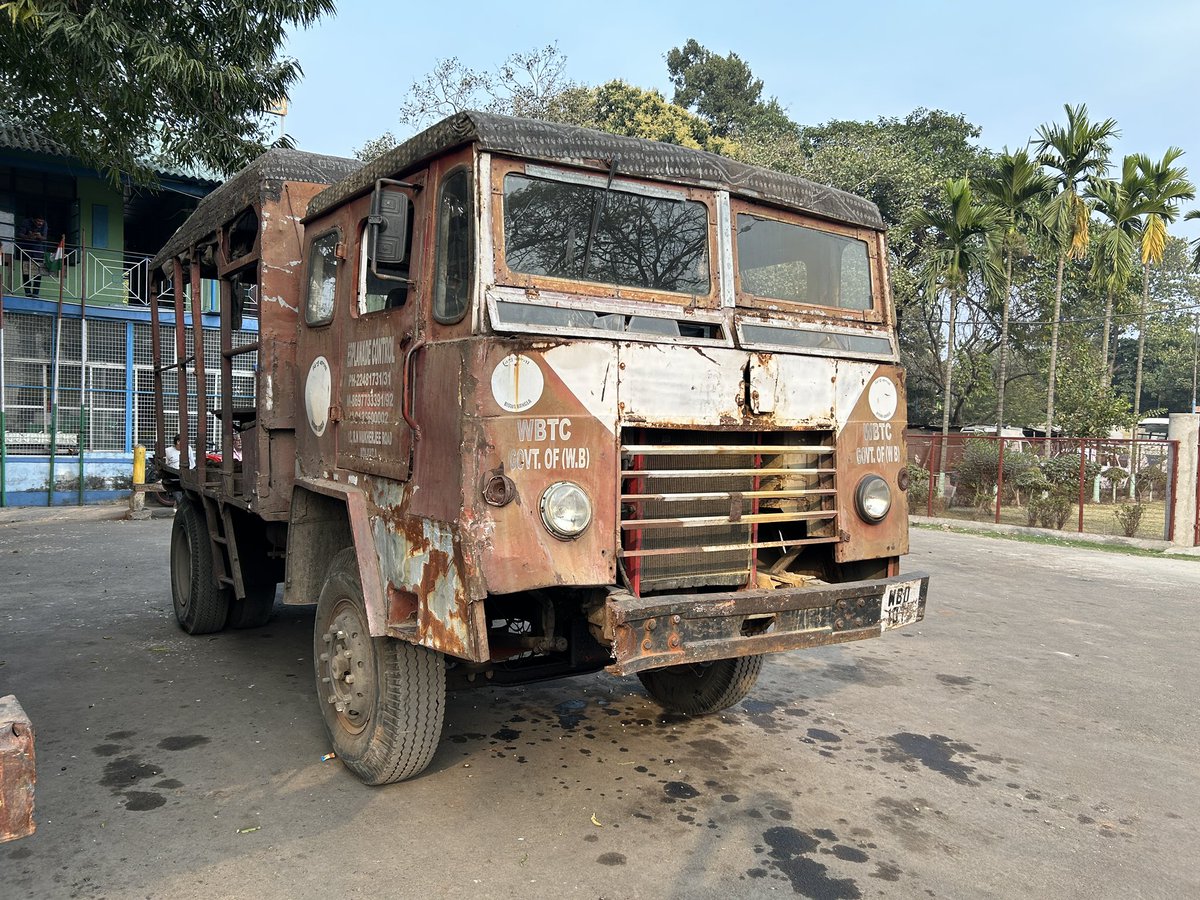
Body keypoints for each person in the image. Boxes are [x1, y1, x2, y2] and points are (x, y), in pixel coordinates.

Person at [17, 215, 48, 297]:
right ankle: (27, 292)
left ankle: (35, 293)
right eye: (38, 221)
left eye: (42, 221)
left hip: (39, 251)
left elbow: (45, 237)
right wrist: (29, 236)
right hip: (26, 250)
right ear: (33, 220)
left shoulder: (45, 224)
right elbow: (20, 234)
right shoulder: (26, 222)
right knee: (26, 271)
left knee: (38, 273)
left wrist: (39, 236)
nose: (40, 223)